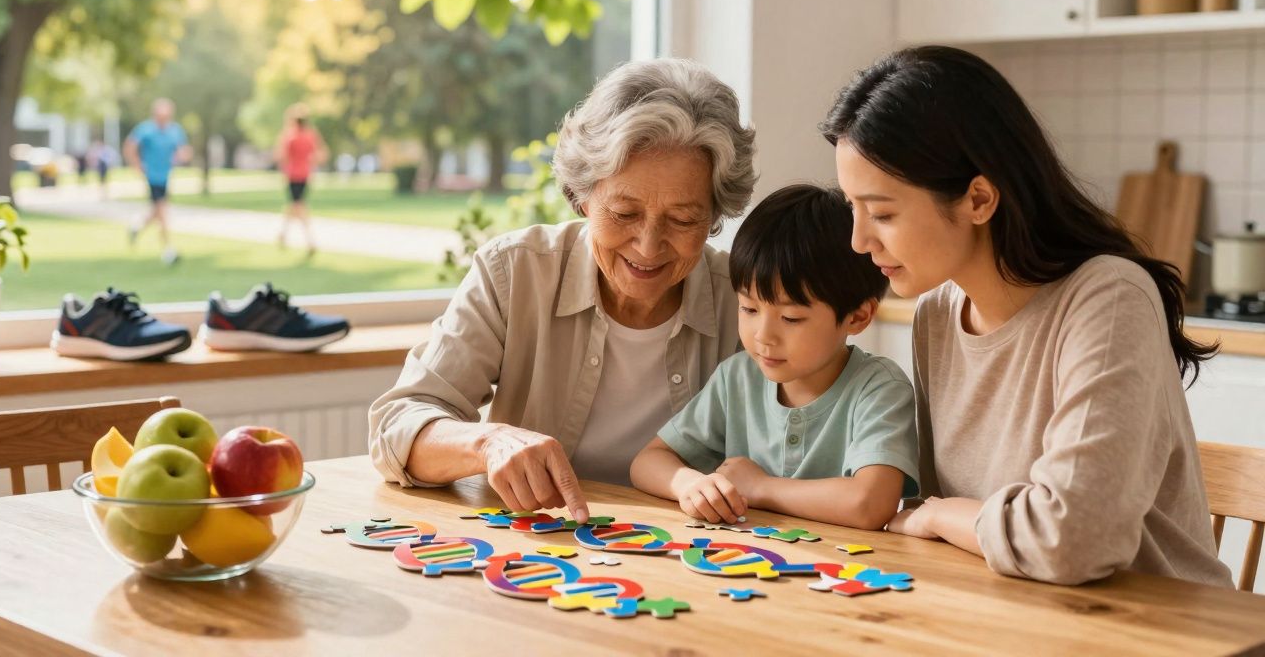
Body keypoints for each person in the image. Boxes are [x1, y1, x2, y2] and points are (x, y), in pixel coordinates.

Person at [822, 45, 1232, 587]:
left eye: (881, 212)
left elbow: (1073, 540)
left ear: (978, 199)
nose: (858, 240)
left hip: (1155, 622)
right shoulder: (937, 315)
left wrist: (941, 515)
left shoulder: (1109, 298)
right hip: (1014, 610)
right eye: (852, 208)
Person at [368, 58, 757, 521]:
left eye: (683, 219)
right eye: (625, 213)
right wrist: (488, 442)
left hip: (694, 550)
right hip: (542, 545)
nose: (648, 246)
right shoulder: (514, 272)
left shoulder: (748, 300)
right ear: (583, 197)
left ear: (715, 217)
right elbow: (399, 425)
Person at [630, 184, 918, 528]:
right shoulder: (737, 378)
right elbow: (647, 462)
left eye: (791, 318)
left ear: (857, 317)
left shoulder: (879, 388)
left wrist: (760, 487)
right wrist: (689, 484)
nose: (763, 335)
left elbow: (870, 504)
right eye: (749, 308)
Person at [124, 98, 190, 265]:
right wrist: (137, 165)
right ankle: (168, 251)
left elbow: (183, 150)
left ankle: (137, 227)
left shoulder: (175, 130)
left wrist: (182, 156)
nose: (164, 118)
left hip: (166, 175)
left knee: (158, 212)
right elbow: (130, 147)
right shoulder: (145, 129)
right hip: (152, 176)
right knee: (163, 213)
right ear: (155, 114)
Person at [275, 104, 327, 256]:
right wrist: (310, 162)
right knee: (295, 205)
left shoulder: (290, 136)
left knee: (298, 206)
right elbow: (321, 154)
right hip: (305, 175)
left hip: (293, 175)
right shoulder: (310, 136)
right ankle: (285, 235)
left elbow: (281, 156)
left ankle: (308, 241)